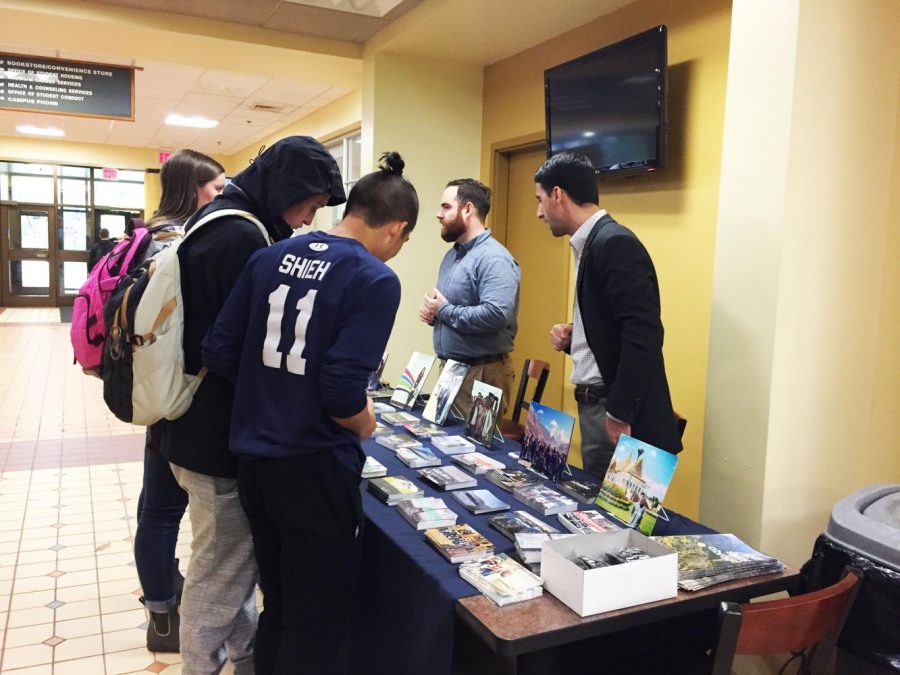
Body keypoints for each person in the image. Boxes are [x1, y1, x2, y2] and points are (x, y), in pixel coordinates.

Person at [201, 152, 417, 675]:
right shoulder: (374, 278)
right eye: (405, 241)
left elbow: (219, 352)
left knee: (280, 601)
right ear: (396, 229)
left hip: (255, 462)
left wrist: (271, 390)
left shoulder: (270, 255)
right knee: (317, 621)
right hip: (314, 469)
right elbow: (343, 391)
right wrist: (365, 422)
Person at [157, 136, 345, 673]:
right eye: (310, 205)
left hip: (194, 426)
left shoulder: (224, 218)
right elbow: (234, 348)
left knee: (230, 565)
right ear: (288, 189)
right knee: (218, 573)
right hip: (212, 436)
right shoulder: (241, 236)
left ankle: (244, 657)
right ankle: (199, 665)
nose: (310, 220)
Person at [534, 152, 682, 478]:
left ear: (558, 194)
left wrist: (619, 412)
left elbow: (644, 334)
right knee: (599, 520)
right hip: (599, 407)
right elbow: (615, 326)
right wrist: (578, 336)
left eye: (541, 200)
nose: (539, 213)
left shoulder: (614, 243)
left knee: (614, 526)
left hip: (617, 414)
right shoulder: (593, 243)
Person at [132, 148, 226, 653]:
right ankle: (167, 620)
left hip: (156, 391)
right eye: (216, 189)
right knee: (168, 512)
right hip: (182, 393)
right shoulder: (183, 242)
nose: (223, 197)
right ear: (195, 189)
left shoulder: (147, 234)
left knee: (155, 508)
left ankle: (160, 609)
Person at [418, 178, 520, 419]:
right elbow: (454, 308)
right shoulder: (452, 256)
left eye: (445, 207)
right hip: (451, 371)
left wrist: (444, 312)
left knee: (472, 454)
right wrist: (434, 315)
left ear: (467, 209)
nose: (438, 214)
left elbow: (496, 314)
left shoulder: (494, 259)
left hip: (482, 374)